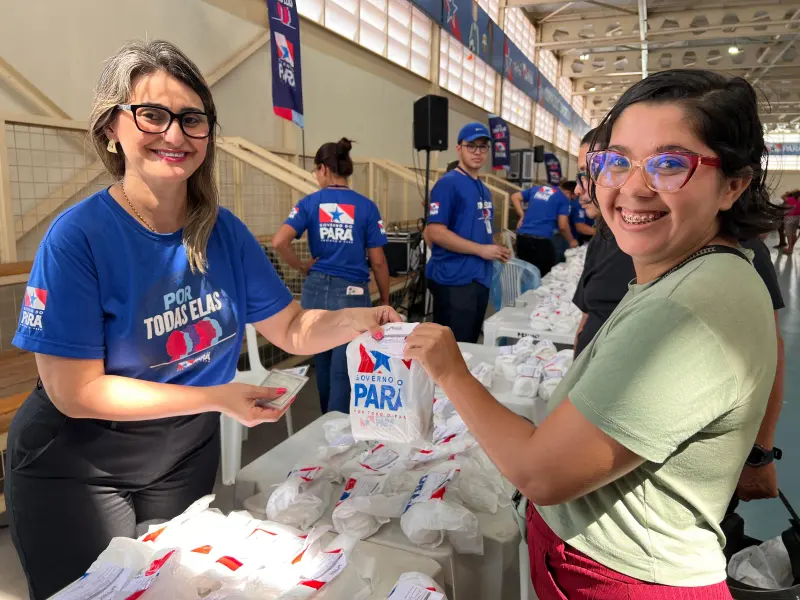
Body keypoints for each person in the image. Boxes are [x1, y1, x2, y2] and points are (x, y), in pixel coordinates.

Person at [4, 40, 399, 600]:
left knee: (177, 587)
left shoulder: (225, 232)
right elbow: (75, 391)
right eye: (152, 114)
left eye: (192, 119)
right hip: (80, 464)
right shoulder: (78, 238)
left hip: (182, 453)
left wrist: (356, 320)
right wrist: (216, 397)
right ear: (112, 128)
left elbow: (291, 328)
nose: (174, 134)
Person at [405, 69, 783, 597]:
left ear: (733, 185)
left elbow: (541, 475)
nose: (633, 186)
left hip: (622, 577)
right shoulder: (700, 270)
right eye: (617, 160)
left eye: (671, 164)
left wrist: (450, 372)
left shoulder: (687, 308)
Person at [572, 132, 786, 504]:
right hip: (591, 419)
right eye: (591, 172)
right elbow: (588, 316)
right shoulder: (607, 236)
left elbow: (769, 351)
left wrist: (759, 452)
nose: (582, 188)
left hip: (670, 450)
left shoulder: (733, 248)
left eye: (609, 167)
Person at [272, 138, 390, 414]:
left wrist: (301, 266)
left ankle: (325, 425)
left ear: (323, 169)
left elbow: (279, 242)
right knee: (346, 368)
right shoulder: (367, 207)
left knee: (322, 364)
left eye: (315, 171)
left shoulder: (309, 203)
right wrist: (384, 298)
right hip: (352, 295)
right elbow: (379, 261)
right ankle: (341, 435)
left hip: (315, 292)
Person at [423, 123, 511, 343]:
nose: (477, 152)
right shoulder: (448, 184)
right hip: (455, 280)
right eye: (471, 146)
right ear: (459, 148)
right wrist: (480, 250)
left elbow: (481, 229)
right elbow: (434, 231)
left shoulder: (483, 188)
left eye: (483, 147)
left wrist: (495, 249)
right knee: (454, 348)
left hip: (478, 278)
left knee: (469, 344)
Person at [511, 179, 577, 276]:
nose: (571, 201)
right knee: (546, 275)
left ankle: (524, 291)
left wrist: (522, 215)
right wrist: (571, 241)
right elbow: (563, 226)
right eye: (572, 198)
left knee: (524, 274)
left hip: (522, 237)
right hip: (540, 241)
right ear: (568, 192)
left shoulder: (538, 189)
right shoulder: (563, 198)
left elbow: (514, 196)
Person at [564, 179, 595, 244]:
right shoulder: (578, 204)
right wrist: (600, 233)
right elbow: (580, 227)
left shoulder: (575, 203)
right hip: (574, 240)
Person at [783, 189, 800, 254]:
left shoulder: (791, 199)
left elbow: (782, 196)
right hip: (797, 218)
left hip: (789, 219)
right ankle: (792, 247)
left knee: (789, 234)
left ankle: (790, 248)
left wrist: (791, 192)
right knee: (793, 234)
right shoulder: (798, 200)